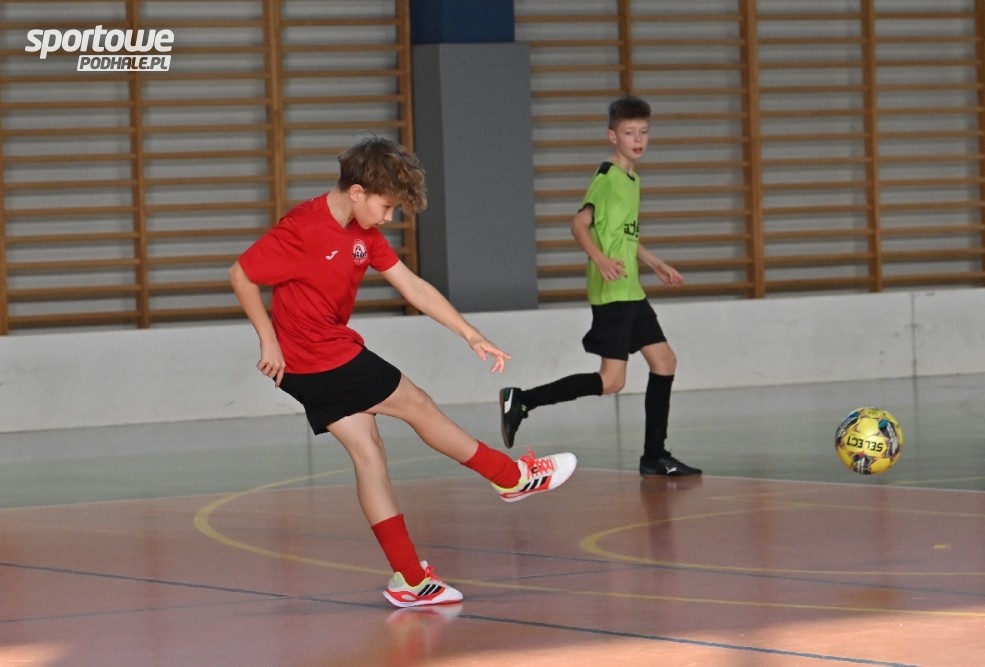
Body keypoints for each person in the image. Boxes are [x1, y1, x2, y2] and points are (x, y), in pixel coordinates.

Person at [229, 137, 577, 608]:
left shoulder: (363, 233)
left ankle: (411, 579)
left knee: (370, 455)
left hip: (310, 364)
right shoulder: (303, 227)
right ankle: (510, 475)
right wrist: (267, 339)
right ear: (357, 192)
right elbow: (242, 274)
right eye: (386, 206)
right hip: (318, 355)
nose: (389, 217)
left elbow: (413, 287)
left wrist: (470, 334)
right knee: (417, 404)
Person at [499, 95, 701, 478]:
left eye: (643, 132)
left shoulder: (633, 180)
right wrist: (600, 259)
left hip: (631, 290)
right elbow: (579, 225)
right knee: (612, 381)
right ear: (613, 136)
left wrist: (656, 264)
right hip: (613, 293)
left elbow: (625, 237)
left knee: (664, 362)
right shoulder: (608, 179)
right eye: (629, 133)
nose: (637, 139)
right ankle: (522, 400)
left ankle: (654, 456)